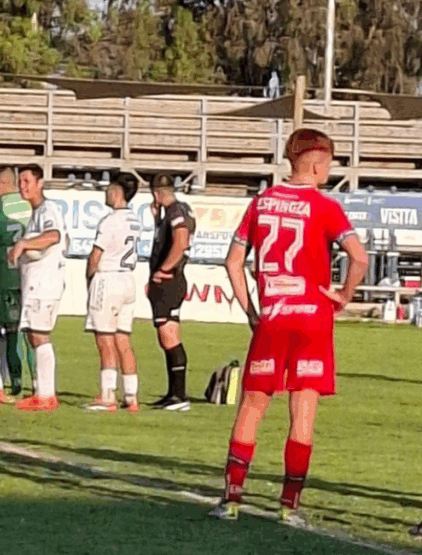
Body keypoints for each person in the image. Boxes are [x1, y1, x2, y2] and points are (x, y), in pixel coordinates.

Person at [209, 129, 368, 526]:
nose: (328, 170)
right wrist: (345, 294)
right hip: (312, 320)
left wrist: (251, 311)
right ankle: (288, 507)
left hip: (274, 318)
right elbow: (359, 258)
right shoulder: (325, 207)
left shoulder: (262, 203)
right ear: (316, 164)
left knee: (252, 406)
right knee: (303, 410)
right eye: (328, 163)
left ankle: (230, 500)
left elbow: (233, 262)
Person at [9, 164, 66, 411]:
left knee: (40, 335)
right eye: (19, 181)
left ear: (40, 183)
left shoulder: (48, 209)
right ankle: (43, 393)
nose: (22, 186)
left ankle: (45, 395)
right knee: (35, 335)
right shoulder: (36, 212)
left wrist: (23, 244)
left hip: (45, 283)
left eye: (27, 181)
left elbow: (54, 236)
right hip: (36, 283)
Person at [84, 175, 141, 413]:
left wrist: (89, 278)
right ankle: (131, 395)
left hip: (108, 277)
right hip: (128, 279)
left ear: (117, 192)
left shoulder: (110, 221)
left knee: (104, 338)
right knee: (123, 339)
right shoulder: (135, 219)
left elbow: (96, 254)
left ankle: (107, 395)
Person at [148, 173, 197, 411]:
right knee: (167, 336)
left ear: (156, 193)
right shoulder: (177, 210)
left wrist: (164, 268)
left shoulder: (176, 211)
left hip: (170, 280)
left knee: (169, 337)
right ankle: (173, 394)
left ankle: (179, 396)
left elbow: (181, 240)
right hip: (171, 280)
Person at [0, 165, 33, 398]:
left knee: (12, 332)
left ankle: (15, 382)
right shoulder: (33, 206)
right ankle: (38, 382)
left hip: (7, 278)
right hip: (34, 277)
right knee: (35, 332)